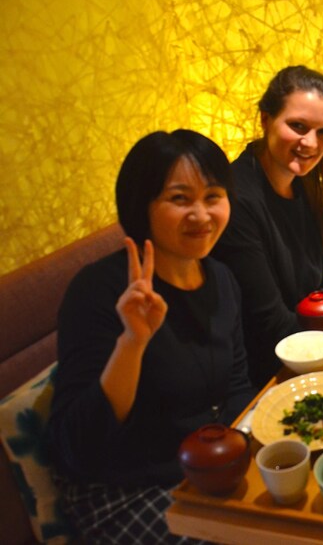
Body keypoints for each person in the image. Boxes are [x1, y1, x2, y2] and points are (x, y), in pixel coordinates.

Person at [48, 130, 256, 543]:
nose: (201, 215)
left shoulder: (222, 278)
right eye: (179, 199)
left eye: (213, 196)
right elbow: (77, 444)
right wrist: (133, 342)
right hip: (125, 487)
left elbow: (236, 387)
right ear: (142, 206)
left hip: (209, 468)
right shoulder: (100, 291)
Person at [212, 65, 323, 388]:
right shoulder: (238, 199)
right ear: (266, 119)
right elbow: (270, 324)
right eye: (298, 126)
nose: (310, 143)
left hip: (307, 343)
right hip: (272, 369)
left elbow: (322, 277)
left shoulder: (300, 182)